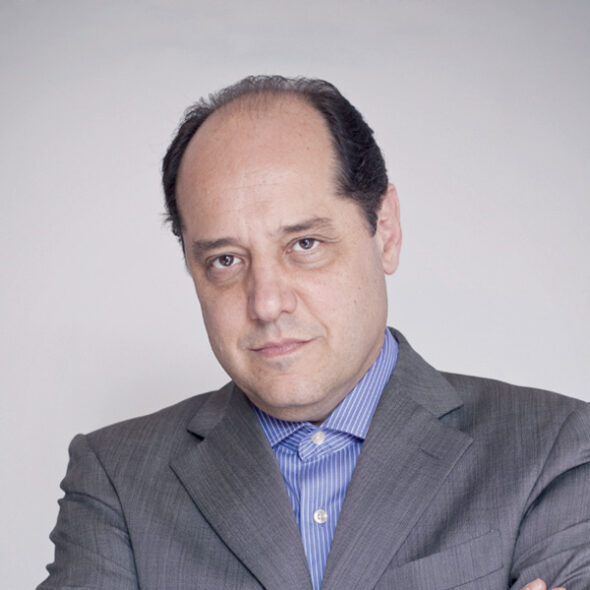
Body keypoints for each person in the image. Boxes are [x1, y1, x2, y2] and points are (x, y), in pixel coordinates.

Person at [39, 76, 588, 589]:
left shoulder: (553, 449)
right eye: (226, 259)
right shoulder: (115, 478)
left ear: (385, 231)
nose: (266, 302)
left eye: (305, 244)